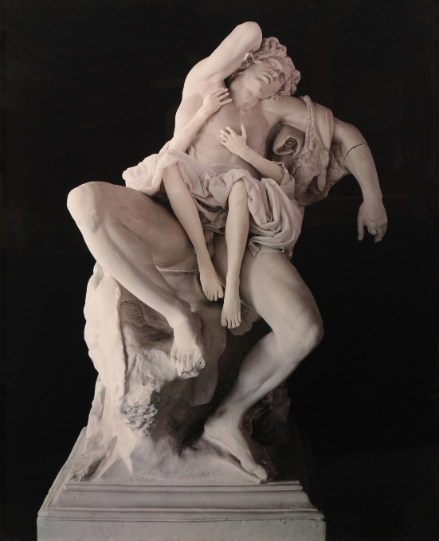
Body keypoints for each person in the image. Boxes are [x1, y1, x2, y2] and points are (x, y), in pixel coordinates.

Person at [67, 22, 388, 481]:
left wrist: (372, 197)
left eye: (284, 78)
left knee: (304, 330)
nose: (278, 77)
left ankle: (226, 419)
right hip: (176, 223)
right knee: (84, 200)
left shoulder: (273, 110)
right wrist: (255, 52)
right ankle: (178, 317)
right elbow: (248, 32)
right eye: (272, 66)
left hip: (236, 234)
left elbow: (346, 136)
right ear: (246, 62)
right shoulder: (203, 85)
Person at [123, 89, 302, 330]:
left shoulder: (270, 117)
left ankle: (233, 285)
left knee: (240, 183)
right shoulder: (205, 109)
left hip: (239, 199)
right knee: (167, 164)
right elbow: (169, 153)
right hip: (197, 197)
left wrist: (244, 152)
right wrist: (205, 112)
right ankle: (203, 259)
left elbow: (284, 178)